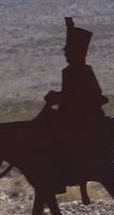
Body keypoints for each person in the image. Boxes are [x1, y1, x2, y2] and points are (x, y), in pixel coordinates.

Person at [41, 17, 109, 200]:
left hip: (85, 117)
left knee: (59, 138)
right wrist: (58, 97)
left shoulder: (84, 70)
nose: (65, 54)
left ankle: (64, 176)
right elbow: (71, 94)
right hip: (72, 114)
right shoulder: (68, 71)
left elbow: (93, 95)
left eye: (68, 51)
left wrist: (61, 98)